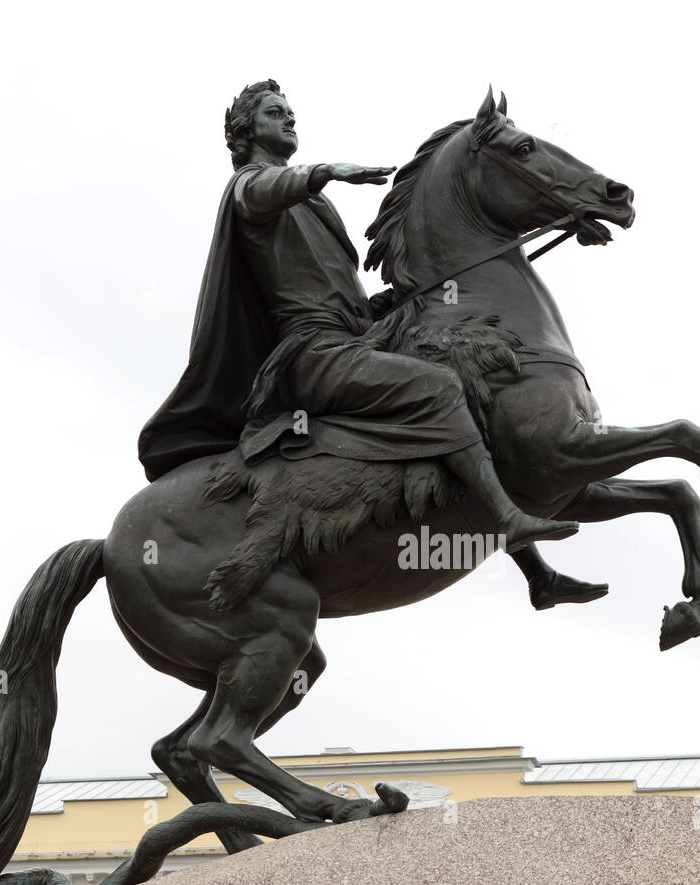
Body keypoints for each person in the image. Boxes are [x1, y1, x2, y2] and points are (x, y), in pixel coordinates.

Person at [140, 80, 613, 591]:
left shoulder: (309, 204)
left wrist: (396, 302)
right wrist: (324, 172)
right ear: (246, 130)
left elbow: (337, 296)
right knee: (441, 388)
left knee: (479, 394)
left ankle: (537, 576)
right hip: (313, 354)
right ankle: (504, 517)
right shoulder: (251, 187)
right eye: (276, 113)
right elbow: (261, 193)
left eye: (291, 112)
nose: (289, 119)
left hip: (350, 339)